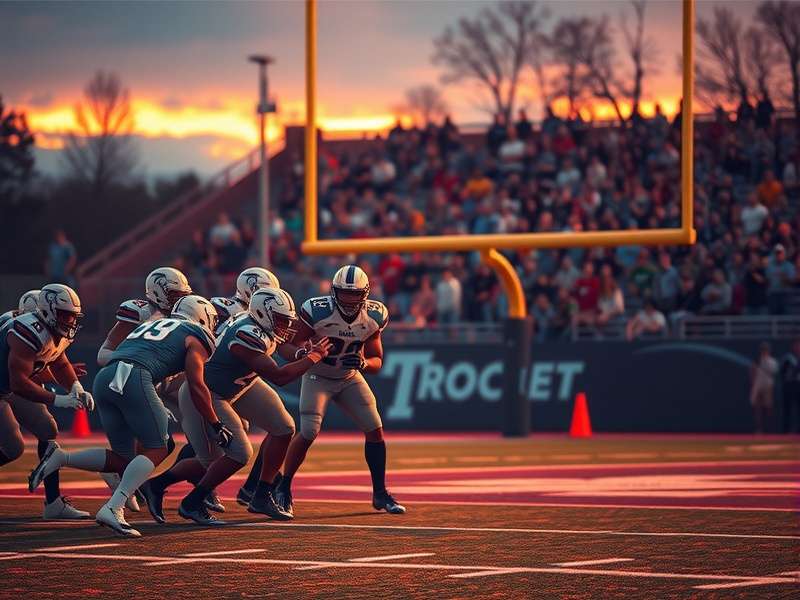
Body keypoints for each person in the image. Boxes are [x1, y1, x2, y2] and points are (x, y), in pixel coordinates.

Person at [30, 295, 224, 537]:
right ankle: (114, 506)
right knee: (159, 447)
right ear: (203, 316)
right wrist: (215, 422)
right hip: (134, 377)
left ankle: (61, 457)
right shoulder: (196, 334)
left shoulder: (151, 324)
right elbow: (196, 384)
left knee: (124, 459)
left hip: (105, 378)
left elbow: (122, 354)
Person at [144, 288, 330, 525]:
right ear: (264, 314)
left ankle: (261, 494)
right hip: (208, 393)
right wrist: (313, 357)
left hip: (241, 384)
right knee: (229, 456)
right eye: (281, 320)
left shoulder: (257, 325)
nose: (285, 327)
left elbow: (280, 347)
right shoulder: (246, 335)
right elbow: (279, 375)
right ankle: (183, 498)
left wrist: (303, 352)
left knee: (284, 428)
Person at [273, 265, 405, 516]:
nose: (349, 300)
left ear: (365, 294)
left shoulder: (374, 316)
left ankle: (380, 493)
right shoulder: (316, 311)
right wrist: (305, 353)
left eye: (354, 294)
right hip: (318, 375)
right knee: (309, 431)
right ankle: (284, 487)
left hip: (349, 377)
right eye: (344, 294)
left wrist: (364, 364)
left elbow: (377, 360)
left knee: (375, 429)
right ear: (334, 292)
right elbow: (288, 346)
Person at [94, 267, 193, 510]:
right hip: (130, 379)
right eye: (173, 295)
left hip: (154, 381)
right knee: (158, 444)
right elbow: (103, 353)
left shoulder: (178, 317)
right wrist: (138, 366)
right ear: (157, 292)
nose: (179, 301)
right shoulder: (139, 311)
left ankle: (122, 478)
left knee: (175, 438)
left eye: (181, 295)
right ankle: (120, 479)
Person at [1, 285, 93, 520]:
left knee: (47, 428)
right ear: (46, 310)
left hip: (9, 384)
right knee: (14, 448)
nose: (69, 321)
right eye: (64, 314)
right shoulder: (26, 331)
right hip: (10, 384)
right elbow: (20, 382)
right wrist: (60, 400)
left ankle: (53, 503)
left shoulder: (53, 331)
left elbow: (58, 362)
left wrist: (75, 387)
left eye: (72, 315)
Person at [750, 342, 778, 434]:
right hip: (757, 386)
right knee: (757, 408)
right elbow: (752, 373)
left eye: (766, 349)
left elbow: (773, 373)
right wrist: (753, 384)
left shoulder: (772, 362)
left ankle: (768, 429)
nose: (764, 351)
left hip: (768, 387)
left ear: (769, 351)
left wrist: (764, 363)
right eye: (763, 349)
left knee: (768, 408)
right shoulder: (756, 361)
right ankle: (759, 429)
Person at [766, 244, 796, 315]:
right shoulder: (770, 266)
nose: (779, 255)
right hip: (773, 295)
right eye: (777, 253)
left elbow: (792, 280)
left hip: (785, 295)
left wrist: (785, 278)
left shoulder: (789, 266)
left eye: (780, 253)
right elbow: (767, 280)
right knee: (773, 317)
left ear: (784, 253)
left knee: (785, 316)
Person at [780, 340, 800, 434]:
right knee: (787, 409)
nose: (798, 347)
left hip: (798, 385)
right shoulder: (788, 358)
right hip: (789, 385)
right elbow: (782, 371)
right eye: (796, 345)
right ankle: (786, 430)